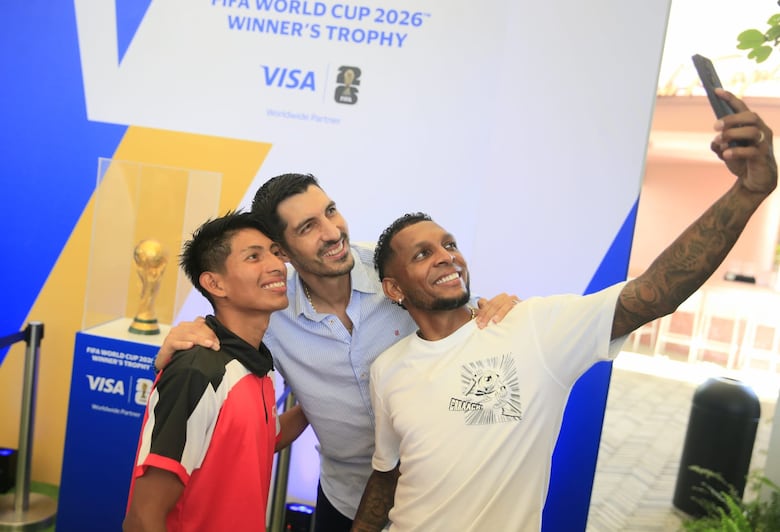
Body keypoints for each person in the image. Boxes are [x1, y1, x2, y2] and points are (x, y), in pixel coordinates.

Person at [351, 90, 777, 532]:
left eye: (450, 244)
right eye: (422, 254)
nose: (446, 256)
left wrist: (747, 193)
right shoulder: (388, 368)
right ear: (393, 288)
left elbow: (656, 292)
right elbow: (387, 476)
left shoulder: (534, 327)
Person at [155, 174, 519, 531]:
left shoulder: (393, 271)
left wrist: (500, 310)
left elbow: (466, 315)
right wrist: (172, 351)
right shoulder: (270, 311)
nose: (331, 232)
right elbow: (222, 351)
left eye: (330, 211)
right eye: (308, 227)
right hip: (345, 500)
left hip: (439, 498)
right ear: (280, 251)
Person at [124, 211, 308, 531]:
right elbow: (143, 517)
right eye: (253, 256)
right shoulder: (198, 372)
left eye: (275, 253)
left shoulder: (257, 366)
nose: (277, 265)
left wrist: (328, 400)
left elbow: (262, 439)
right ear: (215, 283)